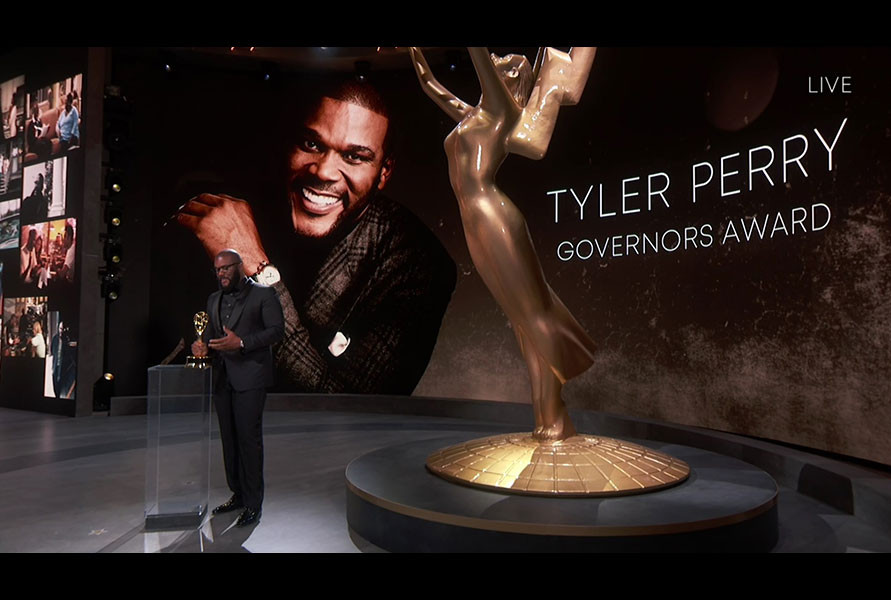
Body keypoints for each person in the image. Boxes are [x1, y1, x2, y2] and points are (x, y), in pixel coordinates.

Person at [177, 81, 456, 395]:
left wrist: (257, 270)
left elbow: (350, 406)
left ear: (384, 172)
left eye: (355, 157)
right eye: (311, 144)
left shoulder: (417, 262)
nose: (324, 172)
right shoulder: (232, 209)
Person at [409, 47, 598, 441]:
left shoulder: (503, 107)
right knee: (520, 320)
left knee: (533, 316)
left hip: (494, 215)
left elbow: (479, 55)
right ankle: (546, 414)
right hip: (474, 220)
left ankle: (555, 411)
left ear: (512, 80)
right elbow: (430, 85)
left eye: (509, 62)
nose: (499, 59)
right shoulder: (473, 115)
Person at [192, 249, 284, 528]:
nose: (221, 274)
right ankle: (238, 494)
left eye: (226, 268)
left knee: (248, 441)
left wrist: (242, 343)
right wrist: (202, 347)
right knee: (229, 441)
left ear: (240, 267)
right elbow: (211, 338)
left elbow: (276, 331)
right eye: (217, 270)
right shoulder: (213, 299)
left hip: (250, 379)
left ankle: (254, 504)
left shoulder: (264, 294)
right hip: (222, 380)